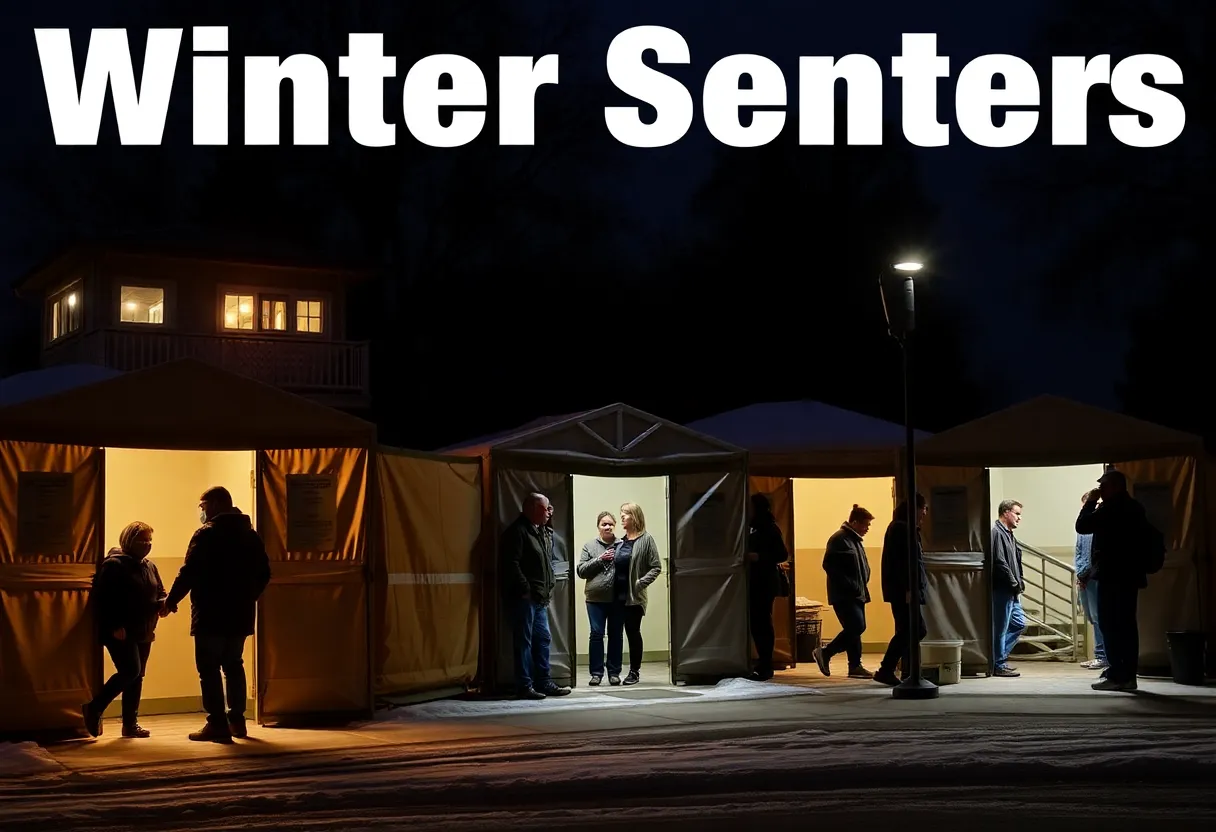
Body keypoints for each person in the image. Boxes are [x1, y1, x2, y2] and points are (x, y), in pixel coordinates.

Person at [164, 486, 272, 742]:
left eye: (202, 506)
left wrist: (170, 601)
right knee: (234, 664)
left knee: (209, 668)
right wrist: (248, 597)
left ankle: (217, 724)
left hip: (210, 613)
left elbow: (189, 571)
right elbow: (264, 573)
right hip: (240, 613)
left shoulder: (206, 534)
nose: (201, 512)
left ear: (214, 504)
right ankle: (237, 721)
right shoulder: (250, 535)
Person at [81, 522, 166, 739]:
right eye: (142, 540)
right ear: (129, 540)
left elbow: (159, 590)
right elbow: (103, 599)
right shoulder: (114, 565)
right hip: (122, 630)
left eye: (149, 541)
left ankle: (130, 724)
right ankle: (95, 707)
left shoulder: (149, 566)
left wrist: (163, 604)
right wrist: (113, 626)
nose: (147, 545)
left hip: (145, 628)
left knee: (137, 677)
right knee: (130, 671)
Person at [1075, 469, 1150, 691]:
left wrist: (1089, 503)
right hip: (1128, 575)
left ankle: (1119, 675)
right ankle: (1125, 674)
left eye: (1104, 486)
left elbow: (1082, 526)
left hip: (1113, 575)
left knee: (1112, 625)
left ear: (1115, 487)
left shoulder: (1113, 508)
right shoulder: (1133, 507)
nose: (1100, 490)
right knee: (1125, 625)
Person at [501, 492, 570, 699]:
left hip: (539, 599)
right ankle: (524, 685)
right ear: (531, 508)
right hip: (525, 599)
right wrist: (525, 589)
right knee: (524, 642)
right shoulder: (518, 532)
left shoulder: (538, 531)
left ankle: (544, 681)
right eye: (545, 508)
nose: (549, 512)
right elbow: (510, 563)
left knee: (542, 639)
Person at [814, 505, 875, 679]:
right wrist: (851, 585)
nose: (867, 529)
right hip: (845, 595)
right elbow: (829, 566)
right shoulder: (839, 539)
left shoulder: (854, 540)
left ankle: (855, 666)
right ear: (854, 522)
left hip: (857, 593)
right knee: (857, 626)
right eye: (865, 525)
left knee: (853, 629)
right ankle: (825, 653)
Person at [874, 493, 929, 686]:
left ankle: (903, 669)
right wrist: (909, 588)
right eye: (924, 508)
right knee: (914, 629)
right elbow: (903, 563)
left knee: (910, 629)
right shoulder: (901, 529)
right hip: (904, 590)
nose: (925, 513)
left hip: (904, 589)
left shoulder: (901, 527)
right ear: (916, 508)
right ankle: (888, 668)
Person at [614, 503, 663, 685]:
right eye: (621, 514)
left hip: (634, 597)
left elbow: (656, 566)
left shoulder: (646, 540)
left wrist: (641, 582)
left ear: (634, 517)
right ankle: (613, 672)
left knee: (632, 632)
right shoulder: (620, 541)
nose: (622, 517)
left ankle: (634, 671)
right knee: (614, 633)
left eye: (625, 514)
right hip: (617, 595)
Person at [746, 493, 790, 681]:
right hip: (757, 581)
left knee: (762, 622)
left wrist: (759, 557)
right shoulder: (752, 528)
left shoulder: (769, 528)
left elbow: (781, 554)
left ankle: (766, 664)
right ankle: (763, 662)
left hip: (764, 582)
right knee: (758, 623)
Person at [576, 511, 621, 686]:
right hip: (595, 600)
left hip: (617, 599)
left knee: (616, 635)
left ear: (614, 526)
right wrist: (600, 559)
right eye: (604, 524)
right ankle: (596, 673)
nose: (608, 527)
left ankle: (614, 672)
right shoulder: (589, 546)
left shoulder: (622, 545)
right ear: (598, 527)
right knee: (596, 634)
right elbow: (581, 571)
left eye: (610, 524)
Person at [991, 499, 1028, 678]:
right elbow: (999, 561)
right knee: (1000, 628)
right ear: (1006, 512)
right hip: (1003, 589)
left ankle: (998, 658)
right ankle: (997, 663)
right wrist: (1014, 582)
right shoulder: (997, 533)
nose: (1019, 518)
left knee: (1019, 623)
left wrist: (1019, 581)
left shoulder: (1009, 534)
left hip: (1011, 590)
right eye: (1017, 513)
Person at [1074, 492, 1108, 671]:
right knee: (1091, 617)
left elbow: (1095, 556)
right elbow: (1078, 552)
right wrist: (1079, 574)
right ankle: (1100, 654)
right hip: (1084, 579)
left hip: (1095, 578)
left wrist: (1086, 573)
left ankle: (1103, 656)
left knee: (1098, 618)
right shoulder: (1082, 529)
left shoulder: (1099, 525)